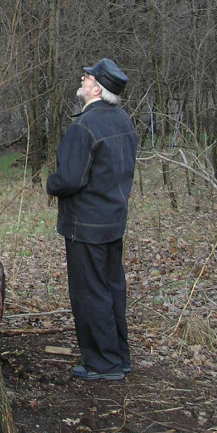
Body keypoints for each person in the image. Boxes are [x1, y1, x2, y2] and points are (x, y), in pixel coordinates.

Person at [46, 58, 137, 381]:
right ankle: (119, 357)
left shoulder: (83, 127)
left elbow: (69, 179)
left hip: (85, 225)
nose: (82, 80)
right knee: (112, 289)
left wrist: (50, 183)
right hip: (113, 220)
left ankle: (103, 364)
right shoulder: (123, 120)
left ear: (97, 89)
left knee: (90, 293)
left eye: (87, 78)